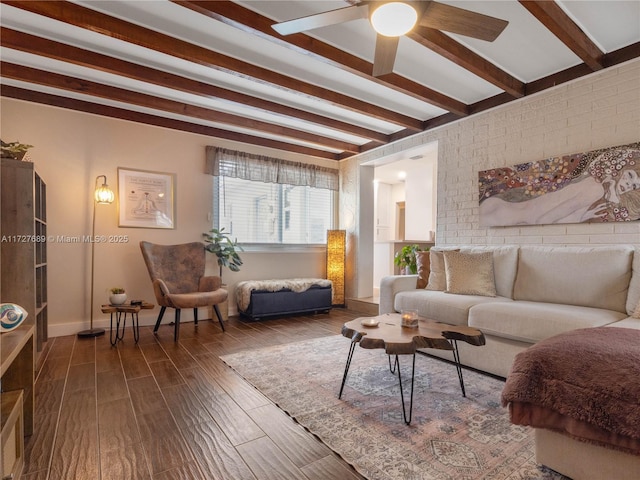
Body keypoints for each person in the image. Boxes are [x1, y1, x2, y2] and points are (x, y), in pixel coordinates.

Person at [479, 145, 640, 226]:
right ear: (621, 167)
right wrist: (579, 218)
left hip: (503, 210)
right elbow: (544, 218)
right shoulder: (595, 189)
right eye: (631, 176)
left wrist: (582, 217)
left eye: (634, 186)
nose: (628, 185)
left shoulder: (591, 181)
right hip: (506, 216)